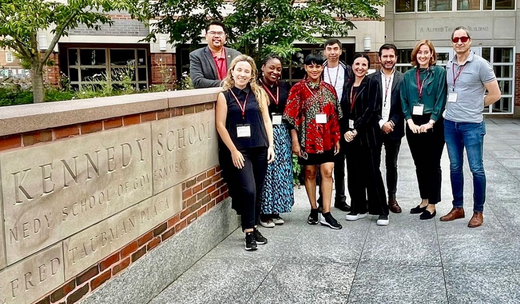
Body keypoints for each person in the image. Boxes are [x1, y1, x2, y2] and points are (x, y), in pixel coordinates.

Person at [440, 26, 501, 228]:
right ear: (452, 42)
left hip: (472, 125)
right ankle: (458, 207)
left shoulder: (481, 65)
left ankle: (478, 211)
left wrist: (475, 105)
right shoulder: (449, 65)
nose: (460, 42)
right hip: (450, 124)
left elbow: (495, 94)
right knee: (455, 167)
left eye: (463, 38)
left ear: (470, 40)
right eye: (456, 39)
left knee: (477, 169)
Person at [215, 55, 275, 251]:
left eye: (246, 71)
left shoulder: (258, 94)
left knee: (258, 189)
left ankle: (254, 226)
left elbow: (267, 121)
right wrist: (233, 150)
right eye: (239, 70)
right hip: (240, 151)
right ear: (232, 71)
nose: (242, 74)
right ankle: (249, 232)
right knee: (248, 189)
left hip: (259, 147)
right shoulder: (224, 96)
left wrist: (271, 146)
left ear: (251, 75)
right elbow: (220, 126)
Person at [284, 53, 343, 230]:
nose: (314, 69)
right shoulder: (297, 89)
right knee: (309, 173)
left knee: (327, 172)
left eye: (318, 66)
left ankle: (326, 212)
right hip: (306, 139)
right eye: (311, 66)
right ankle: (314, 209)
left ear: (322, 67)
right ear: (305, 68)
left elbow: (335, 116)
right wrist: (295, 141)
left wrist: (337, 137)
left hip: (327, 139)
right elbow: (290, 118)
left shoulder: (329, 89)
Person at [400, 40, 447, 220]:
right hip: (413, 122)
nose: (423, 56)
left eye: (426, 52)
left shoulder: (439, 73)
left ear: (432, 55)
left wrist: (432, 121)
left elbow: (441, 97)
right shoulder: (408, 75)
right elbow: (404, 99)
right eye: (420, 53)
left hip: (432, 122)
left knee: (432, 165)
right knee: (419, 163)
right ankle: (424, 199)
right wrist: (409, 121)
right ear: (415, 55)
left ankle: (433, 204)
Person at [343, 53, 389, 226]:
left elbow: (372, 109)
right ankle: (358, 207)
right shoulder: (348, 85)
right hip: (351, 137)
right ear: (352, 66)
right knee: (354, 173)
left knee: (372, 173)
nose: (360, 67)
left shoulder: (372, 83)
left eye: (364, 64)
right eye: (357, 64)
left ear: (368, 67)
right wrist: (347, 131)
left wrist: (356, 129)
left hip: (368, 136)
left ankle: (382, 211)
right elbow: (345, 111)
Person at [258, 54, 294, 228]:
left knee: (281, 172)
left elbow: (291, 112)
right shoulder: (255, 87)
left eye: (279, 69)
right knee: (267, 172)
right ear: (263, 67)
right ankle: (264, 212)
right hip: (264, 132)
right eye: (271, 67)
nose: (275, 71)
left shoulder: (284, 86)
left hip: (282, 132)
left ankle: (276, 209)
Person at [368, 44, 405, 214]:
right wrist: (381, 122)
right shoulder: (371, 79)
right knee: (373, 165)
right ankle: (375, 198)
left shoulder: (403, 79)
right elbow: (370, 106)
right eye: (385, 56)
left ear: (396, 58)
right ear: (380, 58)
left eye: (391, 56)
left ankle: (392, 198)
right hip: (375, 128)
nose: (388, 59)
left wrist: (391, 122)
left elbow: (404, 105)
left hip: (394, 129)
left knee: (392, 165)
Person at [317, 38, 353, 212]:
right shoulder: (318, 69)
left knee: (340, 161)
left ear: (340, 51)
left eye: (335, 49)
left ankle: (340, 197)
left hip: (342, 119)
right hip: (322, 120)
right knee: (322, 159)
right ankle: (322, 198)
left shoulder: (348, 70)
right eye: (329, 49)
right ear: (325, 51)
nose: (332, 52)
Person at [190, 21, 241, 88]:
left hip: (234, 96)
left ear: (225, 36)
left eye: (220, 33)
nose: (216, 36)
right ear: (206, 36)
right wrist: (224, 84)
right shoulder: (197, 55)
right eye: (212, 33)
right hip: (209, 97)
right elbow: (198, 81)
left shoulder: (236, 55)